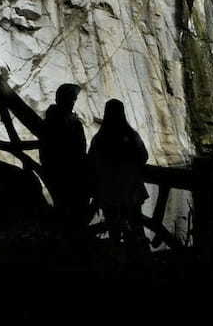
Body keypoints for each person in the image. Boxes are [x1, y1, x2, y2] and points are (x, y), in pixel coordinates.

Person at [88, 99, 148, 243]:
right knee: (136, 226)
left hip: (109, 191)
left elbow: (91, 161)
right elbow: (143, 156)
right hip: (131, 189)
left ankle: (117, 259)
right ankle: (140, 259)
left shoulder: (99, 139)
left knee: (114, 229)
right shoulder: (131, 136)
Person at [39, 83, 89, 228]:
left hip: (64, 172)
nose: (73, 102)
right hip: (67, 174)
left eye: (74, 99)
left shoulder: (58, 119)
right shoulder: (62, 122)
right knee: (71, 208)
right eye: (72, 99)